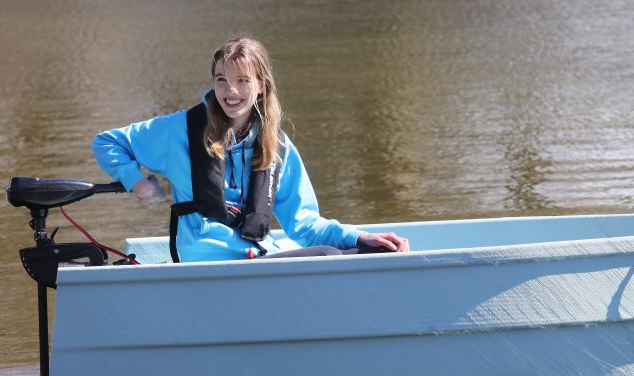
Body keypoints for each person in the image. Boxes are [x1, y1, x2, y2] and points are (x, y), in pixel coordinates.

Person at [92, 36, 409, 262]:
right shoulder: (179, 130)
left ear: (261, 86)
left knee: (375, 252)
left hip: (259, 257)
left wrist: (359, 237)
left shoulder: (277, 146)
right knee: (327, 258)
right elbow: (107, 142)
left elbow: (304, 225)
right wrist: (137, 182)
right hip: (208, 261)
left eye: (243, 80)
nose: (230, 91)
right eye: (221, 80)